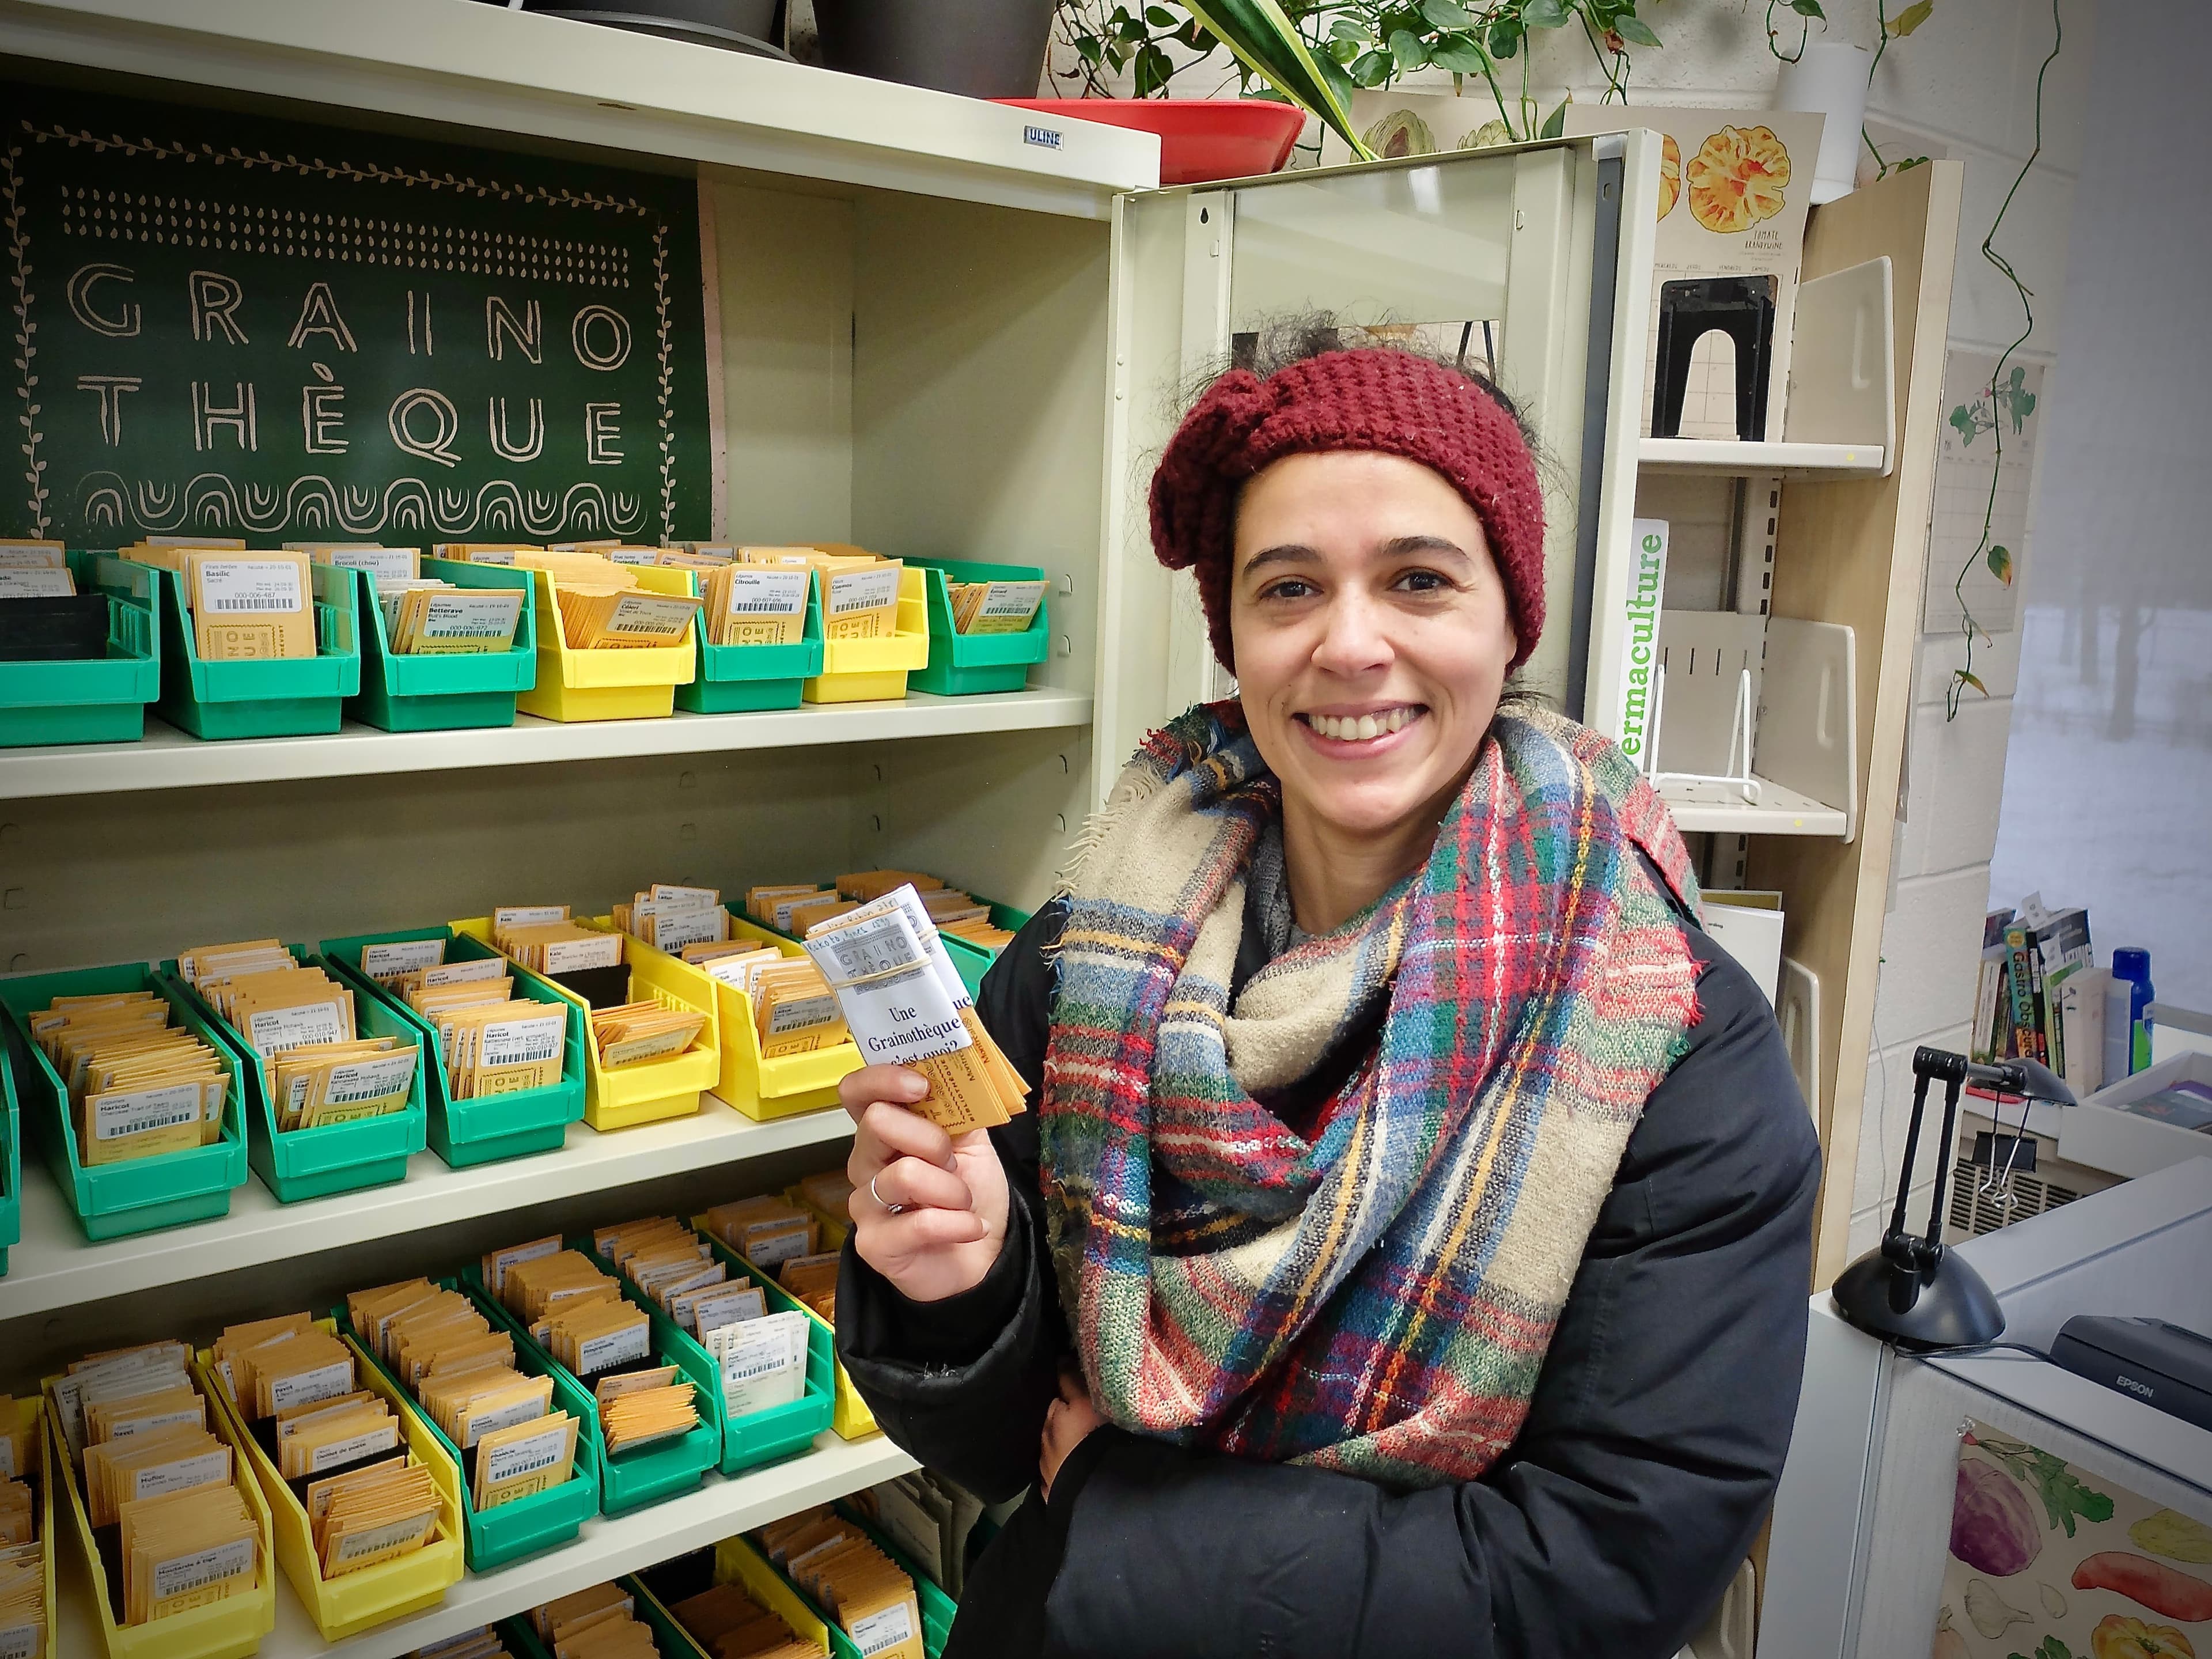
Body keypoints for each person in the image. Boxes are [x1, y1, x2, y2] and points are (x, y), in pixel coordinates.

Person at [833, 328, 1821, 1658]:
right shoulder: (1097, 950)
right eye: (1290, 588)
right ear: (1235, 635)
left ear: (1510, 620)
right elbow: (1004, 1445)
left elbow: (1609, 1570)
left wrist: (1126, 1511)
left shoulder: (1667, 1039)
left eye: (1419, 580)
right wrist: (966, 1285)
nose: (1351, 645)